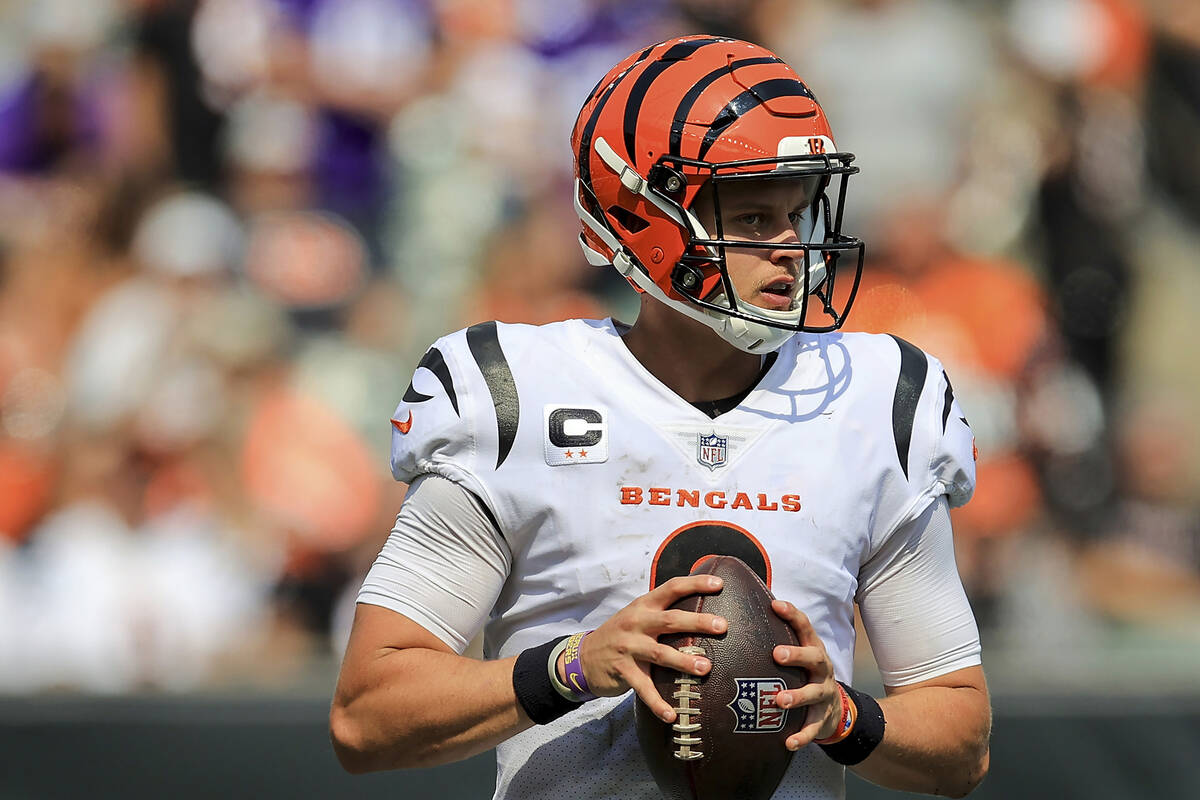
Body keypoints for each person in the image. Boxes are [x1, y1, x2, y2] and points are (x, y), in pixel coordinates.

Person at [330, 35, 991, 799]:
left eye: (796, 213)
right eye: (751, 217)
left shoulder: (875, 398)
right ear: (640, 215)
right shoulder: (515, 396)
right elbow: (365, 715)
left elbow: (960, 738)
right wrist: (571, 666)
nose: (791, 250)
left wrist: (844, 718)